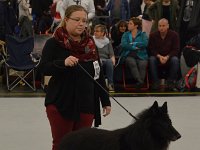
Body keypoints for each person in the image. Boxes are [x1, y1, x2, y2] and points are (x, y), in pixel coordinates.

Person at [39, 5, 111, 150]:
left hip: (87, 102)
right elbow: (42, 69)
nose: (81, 23)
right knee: (62, 144)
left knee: (83, 145)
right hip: (61, 102)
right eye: (77, 19)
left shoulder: (90, 44)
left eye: (84, 20)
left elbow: (98, 74)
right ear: (66, 20)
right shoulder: (53, 43)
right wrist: (62, 63)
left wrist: (105, 100)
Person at [148, 18, 180, 91]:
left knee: (175, 60)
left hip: (169, 57)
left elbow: (176, 49)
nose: (161, 28)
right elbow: (151, 49)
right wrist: (159, 56)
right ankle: (155, 82)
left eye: (163, 26)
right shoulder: (153, 35)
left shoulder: (174, 35)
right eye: (160, 26)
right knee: (151, 59)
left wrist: (167, 57)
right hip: (157, 57)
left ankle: (170, 82)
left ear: (167, 26)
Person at [120, 17, 148, 88]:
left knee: (143, 64)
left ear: (136, 26)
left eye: (130, 24)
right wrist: (134, 47)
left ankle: (139, 83)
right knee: (131, 62)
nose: (128, 25)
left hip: (141, 55)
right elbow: (124, 44)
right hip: (128, 55)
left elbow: (145, 43)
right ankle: (140, 82)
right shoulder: (125, 34)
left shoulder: (142, 34)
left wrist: (133, 43)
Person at [93, 24, 115, 92]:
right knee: (98, 63)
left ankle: (110, 84)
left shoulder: (107, 41)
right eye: (94, 31)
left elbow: (111, 54)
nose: (95, 32)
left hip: (105, 61)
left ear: (102, 33)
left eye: (97, 31)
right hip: (95, 60)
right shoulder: (91, 40)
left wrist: (113, 60)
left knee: (109, 62)